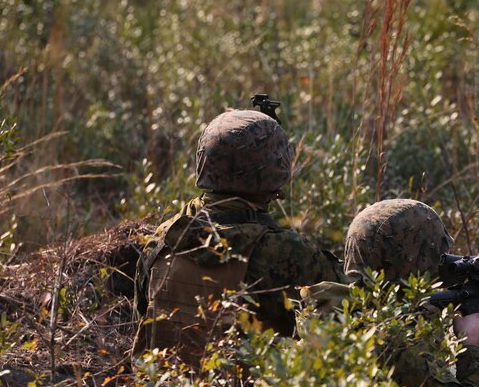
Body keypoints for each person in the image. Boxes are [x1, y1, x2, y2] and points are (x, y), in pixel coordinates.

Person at [133, 107, 348, 367]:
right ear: (272, 169)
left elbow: (142, 315)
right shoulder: (283, 251)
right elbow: (354, 311)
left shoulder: (164, 237)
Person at [343, 198, 479, 387]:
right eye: (439, 256)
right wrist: (471, 348)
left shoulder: (350, 313)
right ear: (414, 261)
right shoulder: (397, 342)